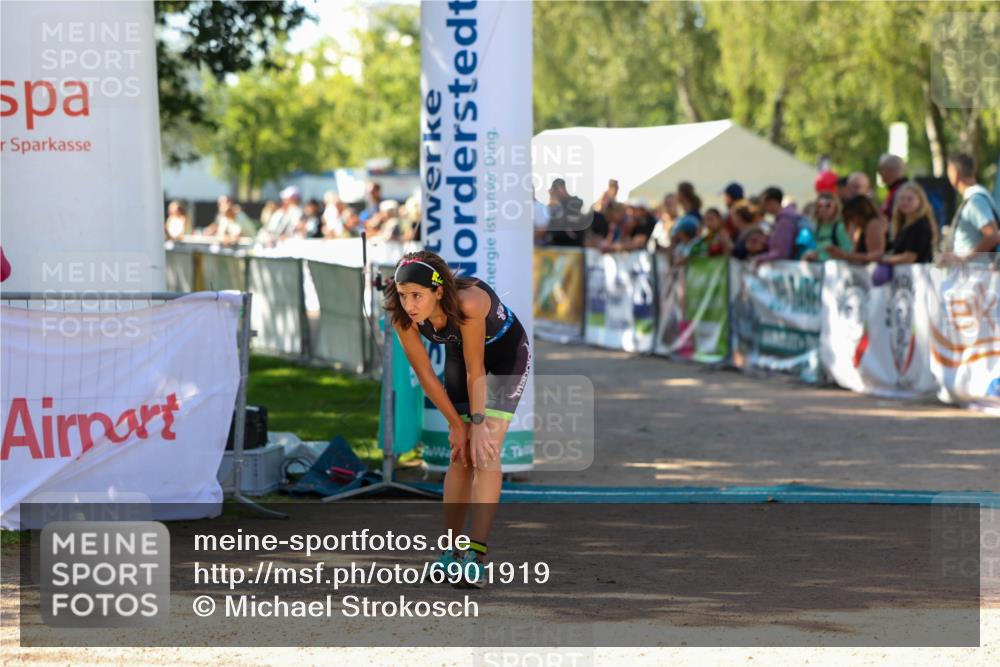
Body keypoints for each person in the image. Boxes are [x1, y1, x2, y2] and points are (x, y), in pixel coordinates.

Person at [384, 251, 531, 589]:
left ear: (438, 291)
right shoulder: (403, 318)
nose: (409, 304)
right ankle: (449, 551)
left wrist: (477, 424)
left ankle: (476, 556)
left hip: (504, 357)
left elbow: (475, 369)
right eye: (403, 295)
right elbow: (425, 375)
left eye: (416, 295)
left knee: (485, 452)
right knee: (460, 456)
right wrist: (456, 424)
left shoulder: (469, 304)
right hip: (461, 354)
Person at [942, 152, 1000, 262]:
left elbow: (992, 235)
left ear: (955, 173)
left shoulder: (975, 200)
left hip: (977, 274)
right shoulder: (976, 197)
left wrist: (964, 258)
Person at [882, 182, 936, 265]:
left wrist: (883, 259)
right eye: (902, 198)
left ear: (920, 201)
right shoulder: (904, 223)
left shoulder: (920, 224)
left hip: (916, 274)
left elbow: (910, 257)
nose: (905, 202)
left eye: (910, 199)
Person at [827, 194, 889, 264]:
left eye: (851, 216)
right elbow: (856, 252)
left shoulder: (874, 224)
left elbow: (875, 256)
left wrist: (844, 255)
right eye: (848, 218)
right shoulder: (862, 228)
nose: (851, 221)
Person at [753, 187, 800, 263]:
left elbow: (782, 252)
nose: (762, 207)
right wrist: (765, 242)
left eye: (764, 203)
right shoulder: (781, 220)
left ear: (771, 201)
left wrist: (760, 258)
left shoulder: (785, 221)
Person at [803, 193, 851, 262]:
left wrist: (821, 258)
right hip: (818, 268)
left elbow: (847, 252)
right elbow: (816, 249)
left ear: (836, 207)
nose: (823, 209)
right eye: (819, 206)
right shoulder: (817, 228)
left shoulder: (840, 227)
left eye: (828, 205)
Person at [877, 153, 908, 220]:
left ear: (889, 170)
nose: (880, 173)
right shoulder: (897, 189)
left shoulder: (903, 191)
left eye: (880, 170)